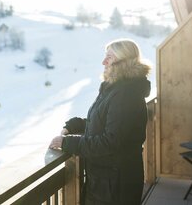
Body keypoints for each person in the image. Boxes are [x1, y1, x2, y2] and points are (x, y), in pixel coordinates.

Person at [49, 38, 151, 205]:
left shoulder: (125, 94)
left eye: (109, 57)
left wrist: (68, 143)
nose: (103, 62)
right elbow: (109, 121)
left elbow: (111, 141)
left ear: (123, 61)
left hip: (115, 183)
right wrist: (78, 124)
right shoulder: (117, 88)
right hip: (108, 178)